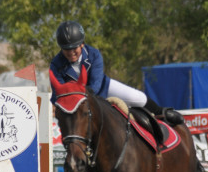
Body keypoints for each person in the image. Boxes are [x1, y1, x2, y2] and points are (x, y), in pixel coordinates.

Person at [49, 21, 184, 125]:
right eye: (67, 49)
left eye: (74, 48)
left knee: (139, 97)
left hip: (104, 88)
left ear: (82, 44)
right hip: (75, 101)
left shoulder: (94, 54)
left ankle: (163, 113)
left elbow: (95, 85)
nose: (71, 52)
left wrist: (83, 99)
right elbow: (58, 92)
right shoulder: (56, 64)